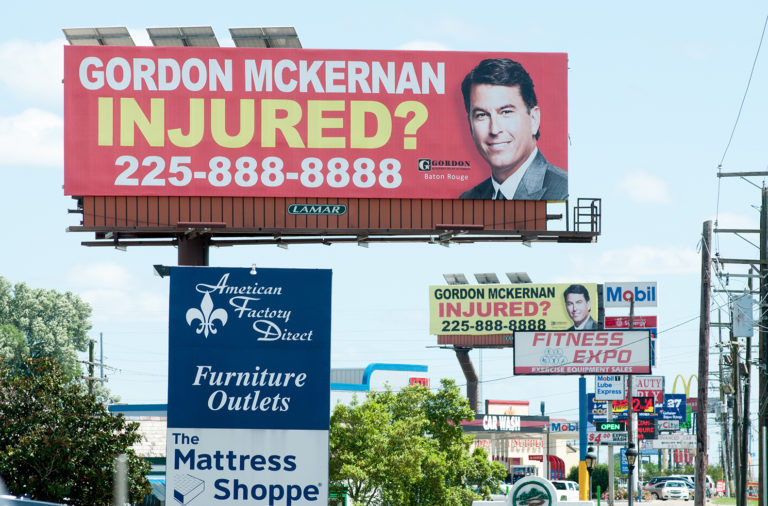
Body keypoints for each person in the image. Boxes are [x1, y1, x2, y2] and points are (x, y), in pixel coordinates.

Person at [459, 58, 567, 200]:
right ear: (470, 125)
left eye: (506, 112)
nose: (494, 129)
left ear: (533, 119)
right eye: (482, 115)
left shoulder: (564, 193)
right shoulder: (468, 199)